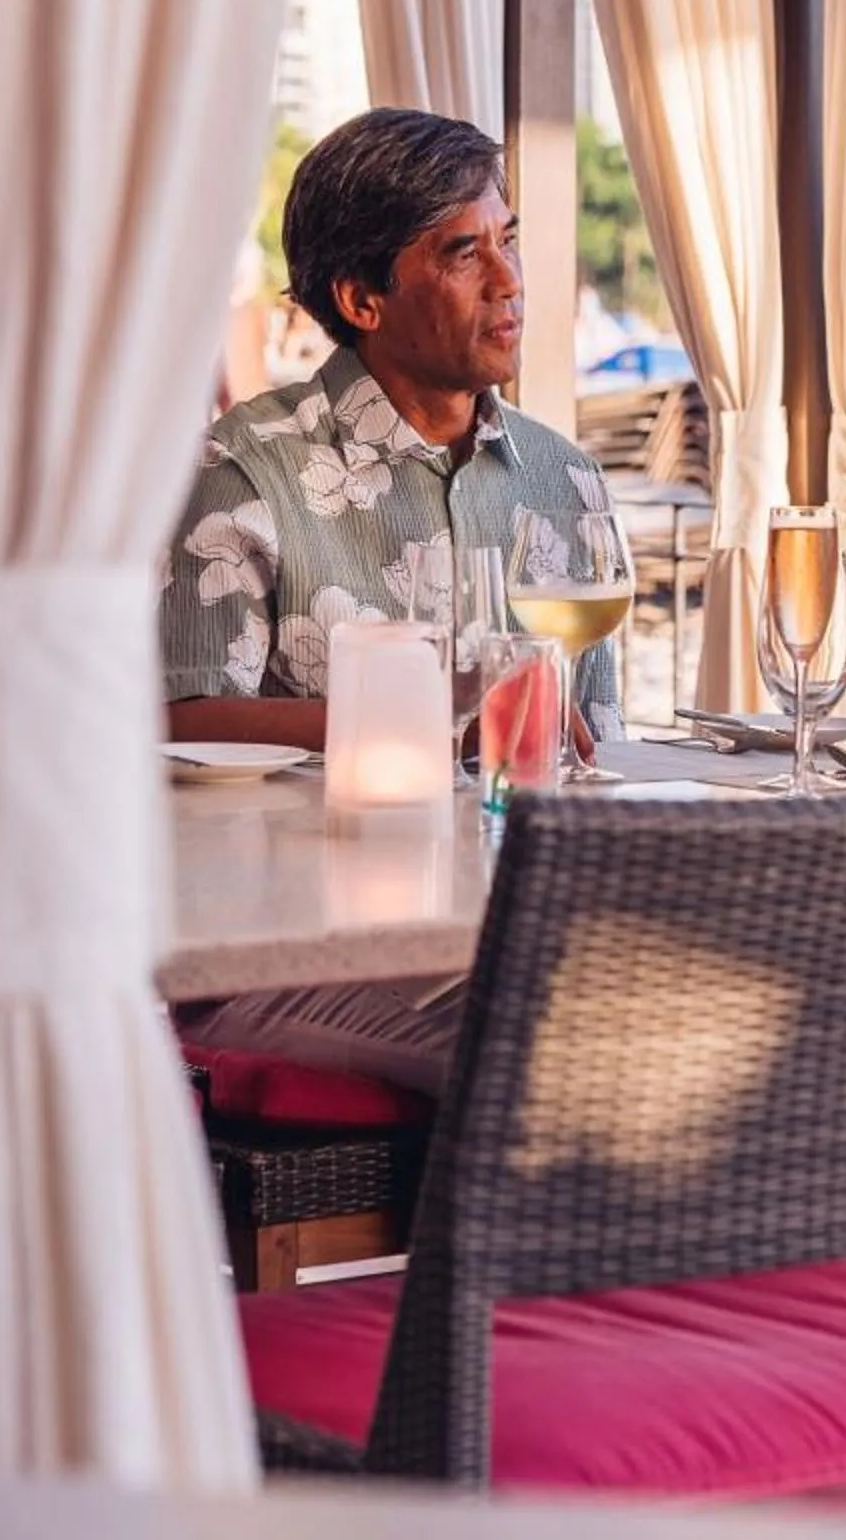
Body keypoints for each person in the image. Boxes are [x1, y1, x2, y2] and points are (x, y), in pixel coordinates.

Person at [160, 106, 622, 1093]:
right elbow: (180, 721)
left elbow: (594, 742)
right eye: (463, 253)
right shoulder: (244, 472)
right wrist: (427, 716)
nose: (510, 280)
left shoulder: (565, 477)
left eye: (508, 240)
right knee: (571, 1044)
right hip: (297, 951)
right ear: (361, 297)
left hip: (517, 933)